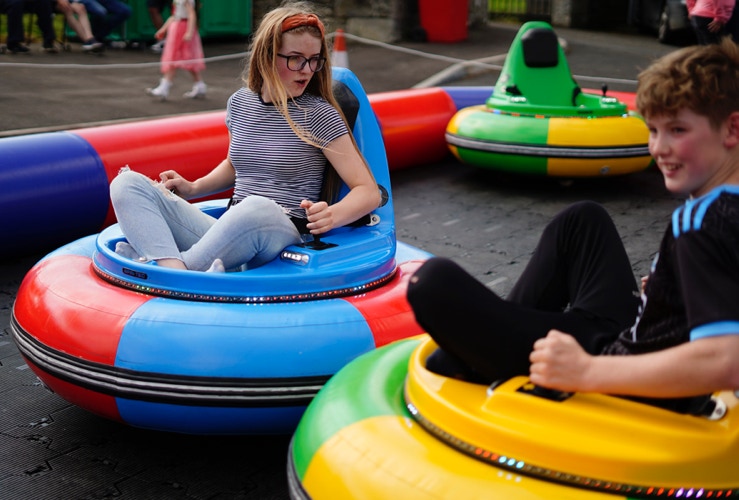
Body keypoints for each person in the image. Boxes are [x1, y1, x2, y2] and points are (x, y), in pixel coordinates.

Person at [407, 38, 739, 415]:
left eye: (677, 130)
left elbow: (725, 361)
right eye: (654, 130)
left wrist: (587, 371)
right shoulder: (720, 206)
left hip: (632, 376)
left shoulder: (700, 223)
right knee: (582, 220)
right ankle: (498, 344)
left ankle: (494, 354)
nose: (658, 148)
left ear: (732, 129)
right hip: (640, 331)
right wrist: (673, 291)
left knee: (430, 283)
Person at [110, 2, 380, 274]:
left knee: (256, 207)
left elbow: (368, 192)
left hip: (281, 231)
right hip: (231, 228)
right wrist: (194, 187)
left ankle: (161, 267)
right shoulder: (240, 103)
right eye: (296, 58)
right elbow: (236, 162)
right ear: (267, 55)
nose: (307, 70)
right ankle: (174, 270)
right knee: (127, 183)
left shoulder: (320, 115)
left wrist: (332, 216)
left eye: (314, 59)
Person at [145, 0, 205, 100]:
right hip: (176, 28)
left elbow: (191, 14)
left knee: (179, 58)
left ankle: (164, 86)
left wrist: (189, 32)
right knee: (180, 58)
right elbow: (174, 16)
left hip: (182, 29)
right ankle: (199, 85)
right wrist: (163, 30)